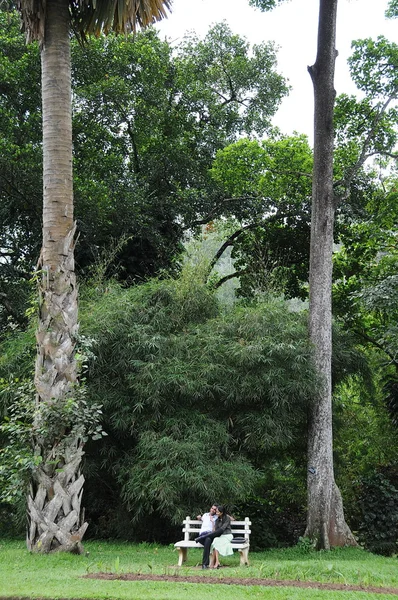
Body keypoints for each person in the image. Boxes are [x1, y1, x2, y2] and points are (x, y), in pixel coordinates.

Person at [195, 504, 233, 569]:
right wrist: (198, 517)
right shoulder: (205, 515)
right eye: (212, 508)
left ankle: (205, 565)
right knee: (208, 539)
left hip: (211, 535)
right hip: (203, 534)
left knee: (208, 540)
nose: (213, 510)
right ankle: (210, 563)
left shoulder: (216, 518)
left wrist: (213, 522)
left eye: (215, 510)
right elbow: (199, 517)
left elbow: (217, 530)